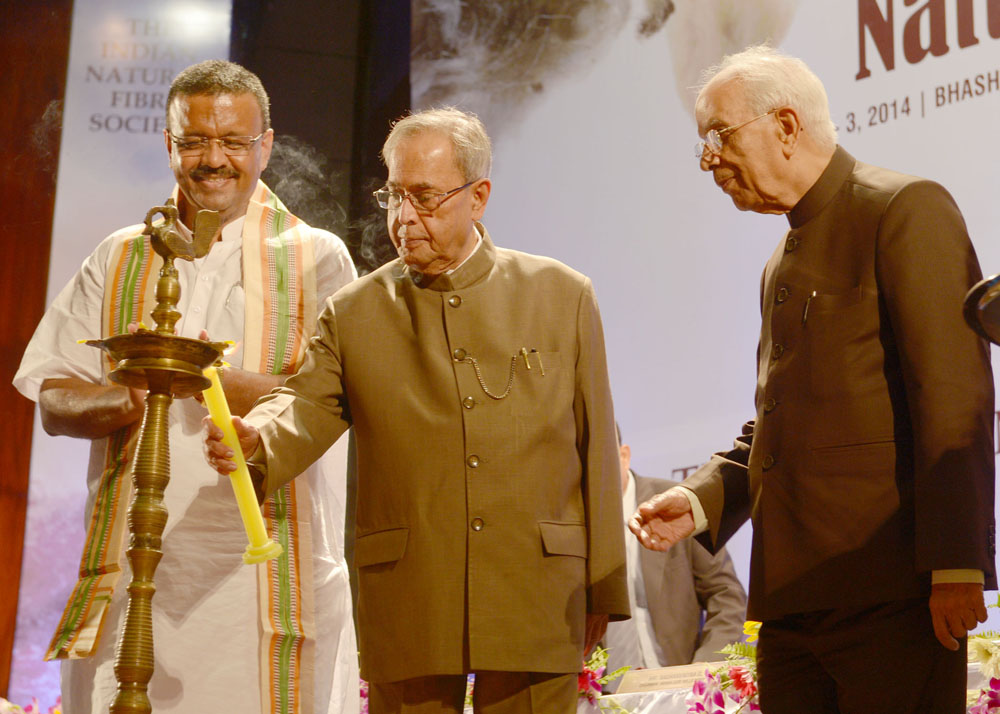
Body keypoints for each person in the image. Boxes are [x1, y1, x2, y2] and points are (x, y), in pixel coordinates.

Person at [203, 107, 630, 714]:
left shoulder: (561, 295)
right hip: (409, 591)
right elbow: (301, 402)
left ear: (478, 196)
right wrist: (257, 442)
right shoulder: (355, 313)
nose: (404, 219)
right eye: (394, 197)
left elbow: (596, 452)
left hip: (538, 590)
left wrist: (605, 587)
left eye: (425, 198)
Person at [628, 45, 995, 714]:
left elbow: (953, 392)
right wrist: (706, 496)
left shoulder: (903, 207)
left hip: (888, 591)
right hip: (794, 608)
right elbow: (786, 423)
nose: (708, 159)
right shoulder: (779, 260)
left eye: (718, 135)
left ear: (786, 125)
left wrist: (957, 561)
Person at [14, 60, 359, 714]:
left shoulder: (318, 256)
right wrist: (130, 398)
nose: (213, 159)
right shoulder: (120, 255)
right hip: (134, 568)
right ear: (169, 144)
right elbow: (52, 395)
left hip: (265, 574)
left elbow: (342, 396)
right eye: (194, 140)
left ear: (267, 145)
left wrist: (207, 380)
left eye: (233, 142)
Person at [604, 425, 745, 690]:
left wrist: (705, 670)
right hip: (602, 698)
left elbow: (726, 594)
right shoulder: (576, 526)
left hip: (683, 692)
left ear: (624, 455)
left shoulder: (674, 506)